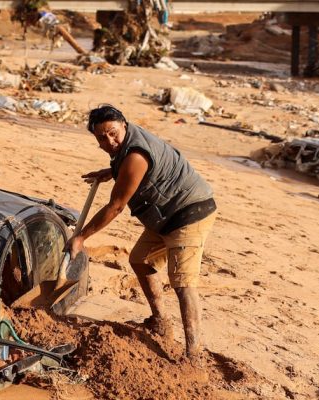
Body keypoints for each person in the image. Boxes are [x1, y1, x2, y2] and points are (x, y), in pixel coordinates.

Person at [66, 105, 217, 362]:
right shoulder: (127, 147)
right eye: (101, 137)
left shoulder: (135, 156)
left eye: (113, 133)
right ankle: (160, 322)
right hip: (165, 216)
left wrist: (81, 237)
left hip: (190, 212)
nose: (109, 141)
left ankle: (194, 355)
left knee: (183, 283)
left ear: (124, 125)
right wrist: (111, 172)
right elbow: (129, 172)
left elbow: (116, 206)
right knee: (140, 260)